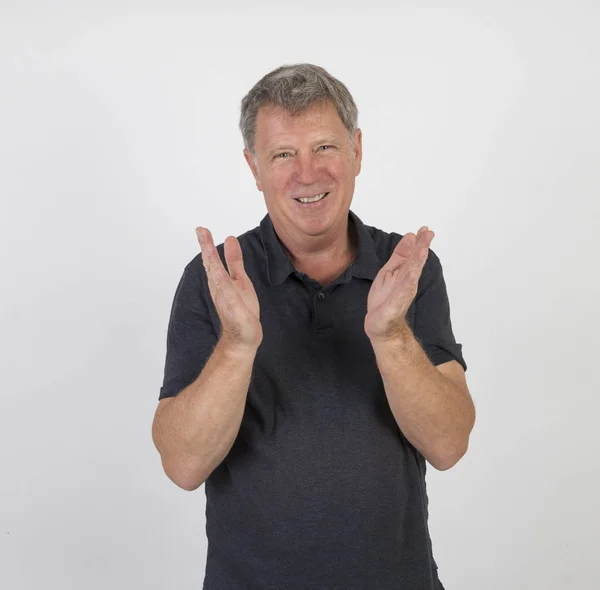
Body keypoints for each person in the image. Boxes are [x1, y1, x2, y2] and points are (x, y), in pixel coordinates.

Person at [152, 63, 476, 590]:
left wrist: (391, 335)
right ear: (253, 167)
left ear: (357, 152)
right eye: (283, 154)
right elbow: (183, 465)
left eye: (325, 147)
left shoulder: (406, 267)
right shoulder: (215, 279)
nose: (308, 173)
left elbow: (449, 445)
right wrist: (237, 346)